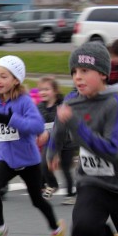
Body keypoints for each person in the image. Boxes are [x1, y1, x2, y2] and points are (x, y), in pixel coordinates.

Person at [47, 42, 118, 236]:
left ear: (103, 73)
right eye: (74, 72)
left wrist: (76, 124)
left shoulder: (116, 103)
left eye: (84, 71)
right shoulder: (73, 101)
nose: (78, 77)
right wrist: (51, 153)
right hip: (93, 182)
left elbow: (112, 150)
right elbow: (59, 128)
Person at [0, 55, 65, 236]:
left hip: (28, 160)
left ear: (16, 80)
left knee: (37, 200)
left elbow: (37, 127)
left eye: (4, 77)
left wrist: (12, 120)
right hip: (6, 159)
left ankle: (56, 229)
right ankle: (0, 227)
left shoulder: (25, 102)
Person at [36, 76, 77, 205]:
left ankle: (71, 194)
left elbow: (64, 127)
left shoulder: (62, 106)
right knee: (43, 164)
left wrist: (58, 152)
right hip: (50, 143)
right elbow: (37, 123)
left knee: (65, 168)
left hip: (67, 143)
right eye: (41, 90)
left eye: (46, 89)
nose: (43, 92)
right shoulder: (39, 107)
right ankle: (53, 184)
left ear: (55, 91)